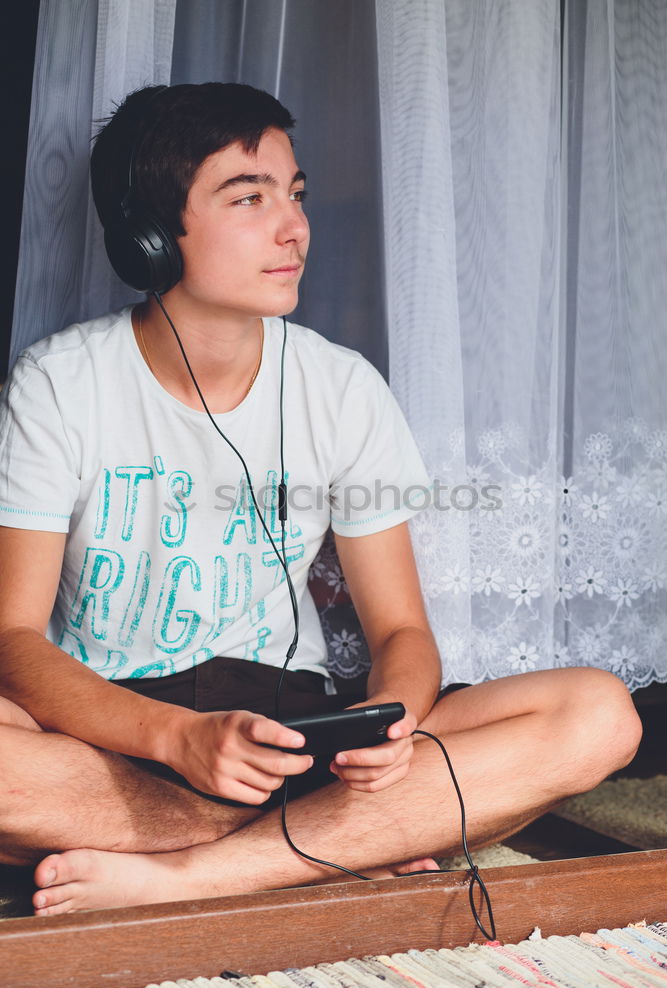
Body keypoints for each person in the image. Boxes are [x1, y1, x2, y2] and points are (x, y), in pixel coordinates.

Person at [0, 83, 641, 917]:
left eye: (294, 194)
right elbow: (13, 638)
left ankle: (198, 874)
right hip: (112, 733)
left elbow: (402, 631)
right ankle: (336, 844)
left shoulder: (342, 386)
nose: (293, 227)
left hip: (295, 731)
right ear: (154, 235)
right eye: (248, 197)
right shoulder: (59, 383)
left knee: (597, 714)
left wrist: (394, 727)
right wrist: (175, 739)